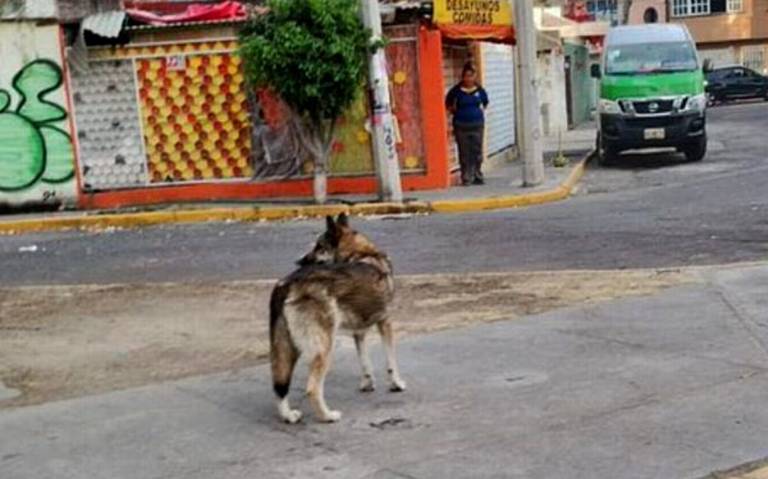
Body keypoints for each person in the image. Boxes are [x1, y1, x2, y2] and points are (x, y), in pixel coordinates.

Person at [445, 63, 489, 186]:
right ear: (462, 76)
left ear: (475, 77)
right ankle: (466, 176)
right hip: (461, 125)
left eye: (471, 76)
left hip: (477, 125)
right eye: (466, 76)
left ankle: (477, 174)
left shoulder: (480, 91)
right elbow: (448, 104)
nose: (469, 79)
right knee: (464, 152)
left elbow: (485, 103)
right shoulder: (456, 91)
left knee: (477, 151)